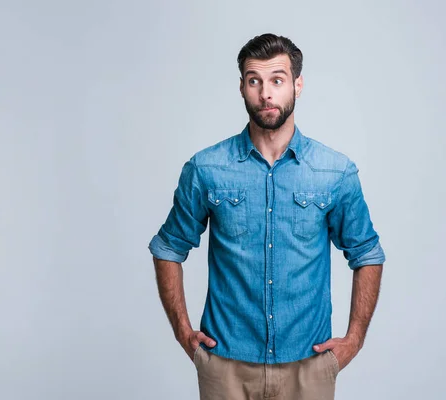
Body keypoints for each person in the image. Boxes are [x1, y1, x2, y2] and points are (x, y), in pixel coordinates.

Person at [147, 33, 385, 400]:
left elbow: (367, 253)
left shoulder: (334, 172)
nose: (266, 93)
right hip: (225, 366)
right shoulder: (207, 168)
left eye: (277, 79)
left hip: (308, 365)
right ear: (242, 87)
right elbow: (168, 247)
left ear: (298, 85)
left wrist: (354, 340)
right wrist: (183, 331)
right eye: (254, 80)